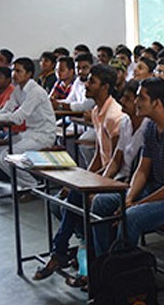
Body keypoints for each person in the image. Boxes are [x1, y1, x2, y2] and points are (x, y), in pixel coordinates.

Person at [92, 78, 164, 254]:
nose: (136, 102)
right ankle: (104, 263)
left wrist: (138, 204)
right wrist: (130, 198)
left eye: (141, 98)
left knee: (131, 217)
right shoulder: (152, 127)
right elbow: (142, 170)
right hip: (157, 188)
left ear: (157, 103)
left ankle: (120, 271)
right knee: (101, 203)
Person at [33, 65, 124, 281]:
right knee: (60, 200)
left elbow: (117, 163)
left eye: (92, 81)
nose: (86, 84)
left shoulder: (115, 116)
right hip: (105, 172)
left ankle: (66, 253)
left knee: (75, 197)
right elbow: (100, 156)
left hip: (117, 177)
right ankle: (82, 249)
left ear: (105, 87)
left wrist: (90, 182)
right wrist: (83, 176)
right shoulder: (96, 111)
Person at [0, 58, 56, 191]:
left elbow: (18, 117)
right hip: (29, 134)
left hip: (43, 136)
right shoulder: (18, 90)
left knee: (7, 155)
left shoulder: (36, 92)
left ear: (29, 74)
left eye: (18, 71)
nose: (14, 74)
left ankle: (33, 186)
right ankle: (26, 184)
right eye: (13, 70)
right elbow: (6, 109)